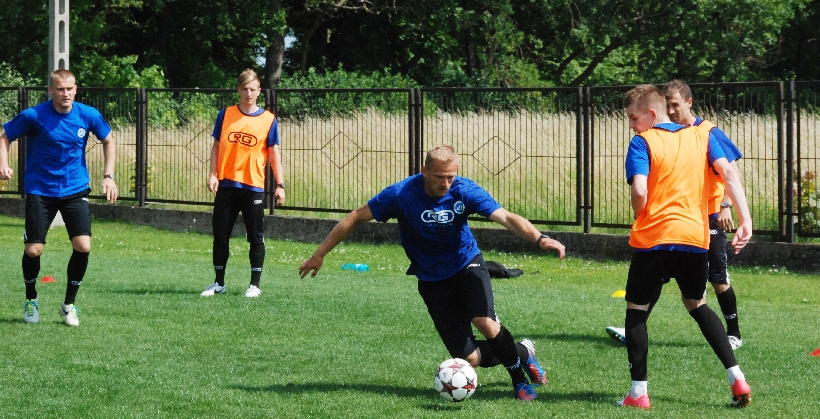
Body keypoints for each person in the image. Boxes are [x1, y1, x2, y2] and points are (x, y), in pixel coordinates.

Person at [298, 145, 566, 401]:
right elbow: (356, 216)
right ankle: (523, 351)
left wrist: (539, 238)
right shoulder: (401, 194)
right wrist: (319, 254)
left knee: (484, 322)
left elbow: (506, 217)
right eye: (439, 177)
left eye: (451, 176)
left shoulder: (465, 190)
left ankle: (519, 381)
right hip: (431, 278)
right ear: (424, 171)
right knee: (470, 358)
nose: (446, 183)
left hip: (466, 264)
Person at [618, 85, 752, 409]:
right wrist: (745, 219)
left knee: (636, 312)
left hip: (654, 239)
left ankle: (638, 394)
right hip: (694, 238)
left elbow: (639, 190)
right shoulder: (701, 136)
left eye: (633, 118)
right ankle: (737, 378)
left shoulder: (643, 141)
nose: (632, 125)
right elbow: (728, 172)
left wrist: (640, 214)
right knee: (697, 304)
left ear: (651, 114)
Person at [0, 69, 118, 327]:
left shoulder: (87, 115)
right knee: (33, 250)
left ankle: (69, 305)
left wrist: (108, 176)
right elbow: (5, 136)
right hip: (40, 189)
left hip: (75, 188)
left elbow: (109, 141)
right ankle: (31, 299)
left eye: (70, 89)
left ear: (76, 89)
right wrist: (3, 164)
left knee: (83, 246)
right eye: (60, 89)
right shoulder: (34, 115)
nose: (66, 93)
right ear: (50, 90)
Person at [200, 69, 285, 298]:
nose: (249, 93)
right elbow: (216, 147)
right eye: (245, 89)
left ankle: (254, 285)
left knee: (255, 237)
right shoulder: (225, 115)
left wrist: (280, 184)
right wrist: (212, 174)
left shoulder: (268, 120)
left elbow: (274, 153)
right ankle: (219, 282)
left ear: (259, 91)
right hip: (227, 184)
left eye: (253, 89)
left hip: (253, 187)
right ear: (238, 90)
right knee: (220, 235)